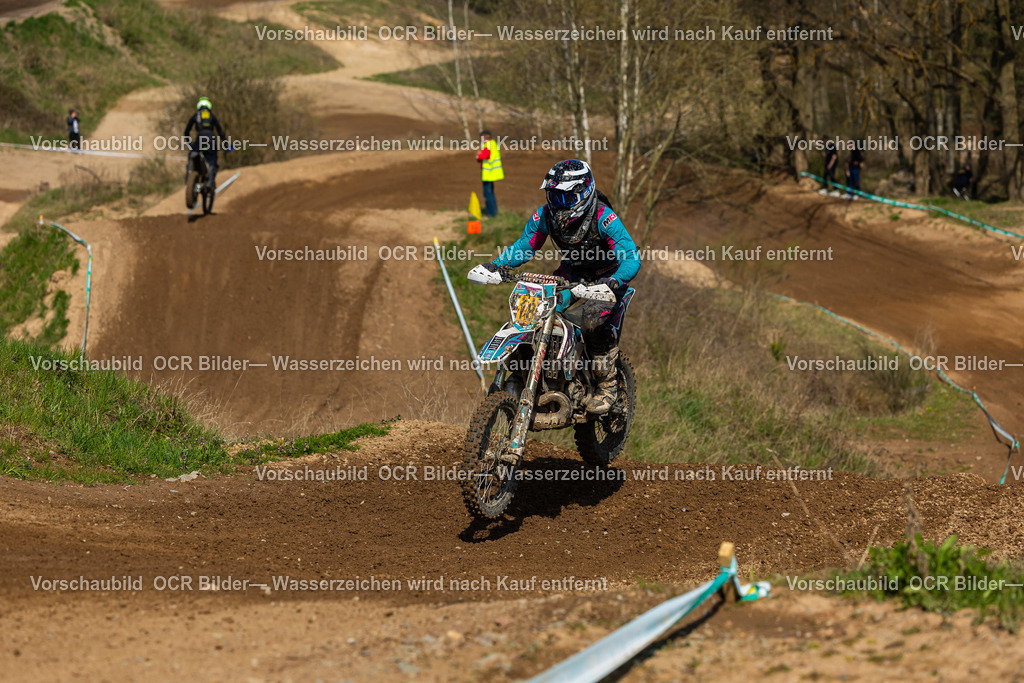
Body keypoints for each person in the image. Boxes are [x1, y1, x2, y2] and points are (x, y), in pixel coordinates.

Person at [480, 159, 641, 415]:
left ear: (584, 193)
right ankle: (529, 374)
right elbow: (526, 245)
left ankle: (607, 384)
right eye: (554, 196)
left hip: (607, 278)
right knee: (536, 309)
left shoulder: (604, 217)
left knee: (592, 319)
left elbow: (630, 256)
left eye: (565, 198)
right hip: (572, 275)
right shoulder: (545, 215)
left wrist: (615, 280)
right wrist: (496, 265)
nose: (559, 204)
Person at [183, 97, 228, 190]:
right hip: (211, 138)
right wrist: (225, 143)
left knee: (193, 155)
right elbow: (220, 131)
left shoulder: (196, 115)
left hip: (200, 138)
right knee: (212, 159)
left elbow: (186, 131)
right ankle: (210, 182)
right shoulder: (212, 116)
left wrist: (189, 143)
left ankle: (188, 177)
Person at [475, 130, 503, 217]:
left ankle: (490, 214)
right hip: (492, 172)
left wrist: (478, 155)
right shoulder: (493, 144)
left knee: (487, 194)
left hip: (488, 173)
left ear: (485, 137)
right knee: (491, 193)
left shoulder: (488, 145)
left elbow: (484, 156)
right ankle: (494, 212)